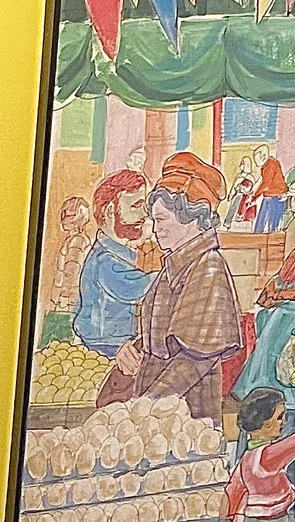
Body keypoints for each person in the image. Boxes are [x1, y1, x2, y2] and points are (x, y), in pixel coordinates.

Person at [96, 152, 243, 420]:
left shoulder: (208, 268)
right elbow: (166, 337)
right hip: (156, 410)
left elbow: (195, 358)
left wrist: (144, 407)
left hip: (184, 414)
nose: (154, 230)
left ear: (193, 218)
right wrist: (134, 348)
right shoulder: (173, 267)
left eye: (161, 220)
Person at [73, 169, 153, 358]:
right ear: (110, 211)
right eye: (136, 206)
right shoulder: (105, 260)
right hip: (104, 346)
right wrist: (177, 274)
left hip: (116, 343)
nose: (145, 214)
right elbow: (136, 287)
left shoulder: (121, 255)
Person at [225, 387, 295, 522]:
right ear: (264, 423)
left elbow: (234, 490)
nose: (283, 422)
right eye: (279, 417)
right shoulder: (268, 456)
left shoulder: (247, 458)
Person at [50, 193, 93, 314]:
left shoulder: (77, 241)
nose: (62, 218)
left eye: (66, 214)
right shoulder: (75, 239)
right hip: (71, 300)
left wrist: (63, 298)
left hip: (69, 302)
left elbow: (71, 271)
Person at [255, 156, 290, 233]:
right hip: (277, 195)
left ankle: (258, 237)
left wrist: (254, 196)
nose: (255, 160)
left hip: (273, 196)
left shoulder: (269, 165)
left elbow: (266, 183)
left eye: (256, 157)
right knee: (272, 224)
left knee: (265, 223)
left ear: (262, 156)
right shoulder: (274, 163)